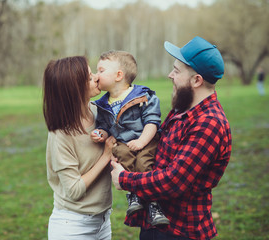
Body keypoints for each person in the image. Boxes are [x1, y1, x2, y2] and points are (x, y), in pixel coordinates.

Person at [110, 36, 232, 240]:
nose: (170, 75)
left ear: (196, 80)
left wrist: (125, 179)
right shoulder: (181, 110)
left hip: (181, 231)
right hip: (157, 225)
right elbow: (156, 149)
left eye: (176, 70)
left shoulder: (209, 123)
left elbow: (174, 180)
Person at [90, 50, 169, 226]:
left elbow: (152, 121)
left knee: (144, 165)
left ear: (119, 75)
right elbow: (103, 126)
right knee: (121, 156)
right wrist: (101, 134)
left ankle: (154, 206)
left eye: (101, 71)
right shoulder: (102, 104)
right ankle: (134, 196)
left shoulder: (142, 96)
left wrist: (142, 141)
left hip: (146, 141)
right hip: (123, 144)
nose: (96, 76)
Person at [43, 56, 116, 240]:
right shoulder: (61, 134)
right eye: (90, 78)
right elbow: (74, 190)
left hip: (103, 221)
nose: (97, 78)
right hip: (73, 227)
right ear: (75, 90)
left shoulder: (100, 113)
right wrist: (106, 156)